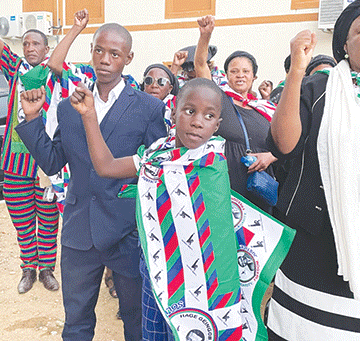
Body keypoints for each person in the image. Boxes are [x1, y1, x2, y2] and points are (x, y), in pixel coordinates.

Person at [51, 77, 242, 340]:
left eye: (209, 116)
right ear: (174, 112)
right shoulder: (156, 156)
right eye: (190, 111)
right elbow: (106, 166)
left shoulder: (214, 163)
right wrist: (89, 116)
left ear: (218, 125)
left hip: (203, 287)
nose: (198, 121)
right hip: (156, 273)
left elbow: (223, 239)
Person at [15, 23, 167, 341]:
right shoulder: (69, 107)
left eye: (114, 53)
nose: (105, 58)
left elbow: (155, 173)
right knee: (76, 325)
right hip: (78, 234)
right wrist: (31, 119)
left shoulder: (148, 108)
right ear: (92, 53)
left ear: (128, 58)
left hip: (127, 236)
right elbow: (53, 161)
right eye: (99, 50)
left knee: (136, 322)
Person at [266, 1, 360, 339]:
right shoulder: (318, 90)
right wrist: (296, 73)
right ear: (344, 46)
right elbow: (282, 145)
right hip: (315, 245)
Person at [0, 27, 64, 294]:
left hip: (46, 161)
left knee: (48, 218)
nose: (29, 48)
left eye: (36, 43)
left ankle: (47, 268)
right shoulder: (15, 68)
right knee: (22, 218)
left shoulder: (56, 72)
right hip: (15, 162)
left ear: (46, 49)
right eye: (25, 44)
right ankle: (28, 267)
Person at [194, 15, 277, 212]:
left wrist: (270, 156)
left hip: (260, 189)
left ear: (254, 77)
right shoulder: (220, 99)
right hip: (226, 188)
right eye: (234, 71)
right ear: (226, 76)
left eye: (246, 71)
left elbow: (287, 146)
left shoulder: (267, 109)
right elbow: (200, 66)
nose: (240, 75)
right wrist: (205, 36)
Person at [140, 63, 179, 128]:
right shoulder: (134, 104)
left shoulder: (177, 108)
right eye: (149, 80)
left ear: (170, 88)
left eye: (161, 81)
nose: (154, 85)